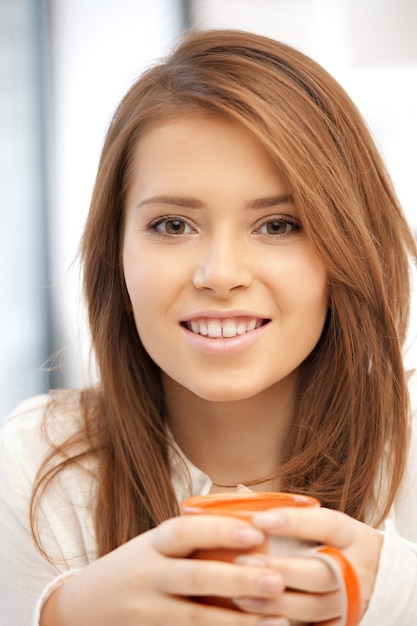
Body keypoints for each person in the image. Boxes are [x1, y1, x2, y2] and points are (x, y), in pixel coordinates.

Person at [1, 28, 416, 626]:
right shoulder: (39, 459)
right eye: (172, 226)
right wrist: (63, 614)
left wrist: (397, 593)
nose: (220, 275)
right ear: (115, 261)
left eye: (278, 226)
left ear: (347, 249)